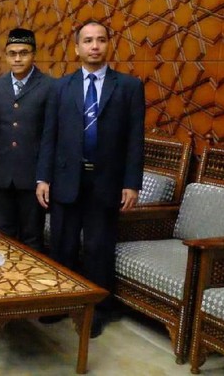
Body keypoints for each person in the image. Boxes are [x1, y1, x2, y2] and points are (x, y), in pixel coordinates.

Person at [36, 20, 144, 338]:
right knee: (63, 246)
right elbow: (49, 136)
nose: (94, 46)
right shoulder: (60, 87)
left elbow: (135, 139)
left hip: (106, 182)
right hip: (66, 180)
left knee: (98, 249)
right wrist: (43, 177)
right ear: (77, 47)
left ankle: (96, 311)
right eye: (87, 41)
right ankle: (61, 304)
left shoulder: (128, 87)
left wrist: (132, 183)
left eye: (100, 40)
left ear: (108, 44)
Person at [0, 28, 54, 251]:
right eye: (12, 53)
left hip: (32, 176)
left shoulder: (50, 87)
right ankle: (5, 284)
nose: (17, 58)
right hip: (2, 175)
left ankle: (28, 283)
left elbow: (50, 136)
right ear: (6, 55)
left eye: (23, 53)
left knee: (31, 237)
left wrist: (45, 177)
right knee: (2, 236)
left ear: (34, 54)